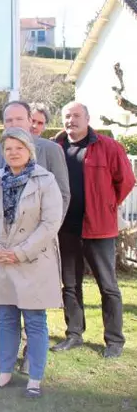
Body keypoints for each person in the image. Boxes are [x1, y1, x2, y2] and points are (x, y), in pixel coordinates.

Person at [0, 127, 64, 398]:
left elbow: (50, 223)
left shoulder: (45, 180)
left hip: (32, 262)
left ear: (29, 151)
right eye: (8, 148)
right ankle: (5, 372)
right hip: (0, 261)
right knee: (6, 319)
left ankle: (34, 379)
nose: (13, 153)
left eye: (19, 148)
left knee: (35, 320)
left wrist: (21, 252)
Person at [51, 102, 135, 358]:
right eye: (67, 116)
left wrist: (108, 206)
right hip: (66, 229)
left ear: (87, 119)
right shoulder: (57, 148)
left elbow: (127, 181)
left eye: (76, 116)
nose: (71, 120)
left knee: (108, 286)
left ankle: (114, 341)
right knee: (70, 284)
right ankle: (74, 334)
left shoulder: (108, 147)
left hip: (99, 229)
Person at [0, 101, 70, 217]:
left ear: (29, 121)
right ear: (3, 124)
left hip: (39, 231)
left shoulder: (51, 150)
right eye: (9, 120)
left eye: (19, 119)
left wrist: (48, 230)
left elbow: (62, 195)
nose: (14, 124)